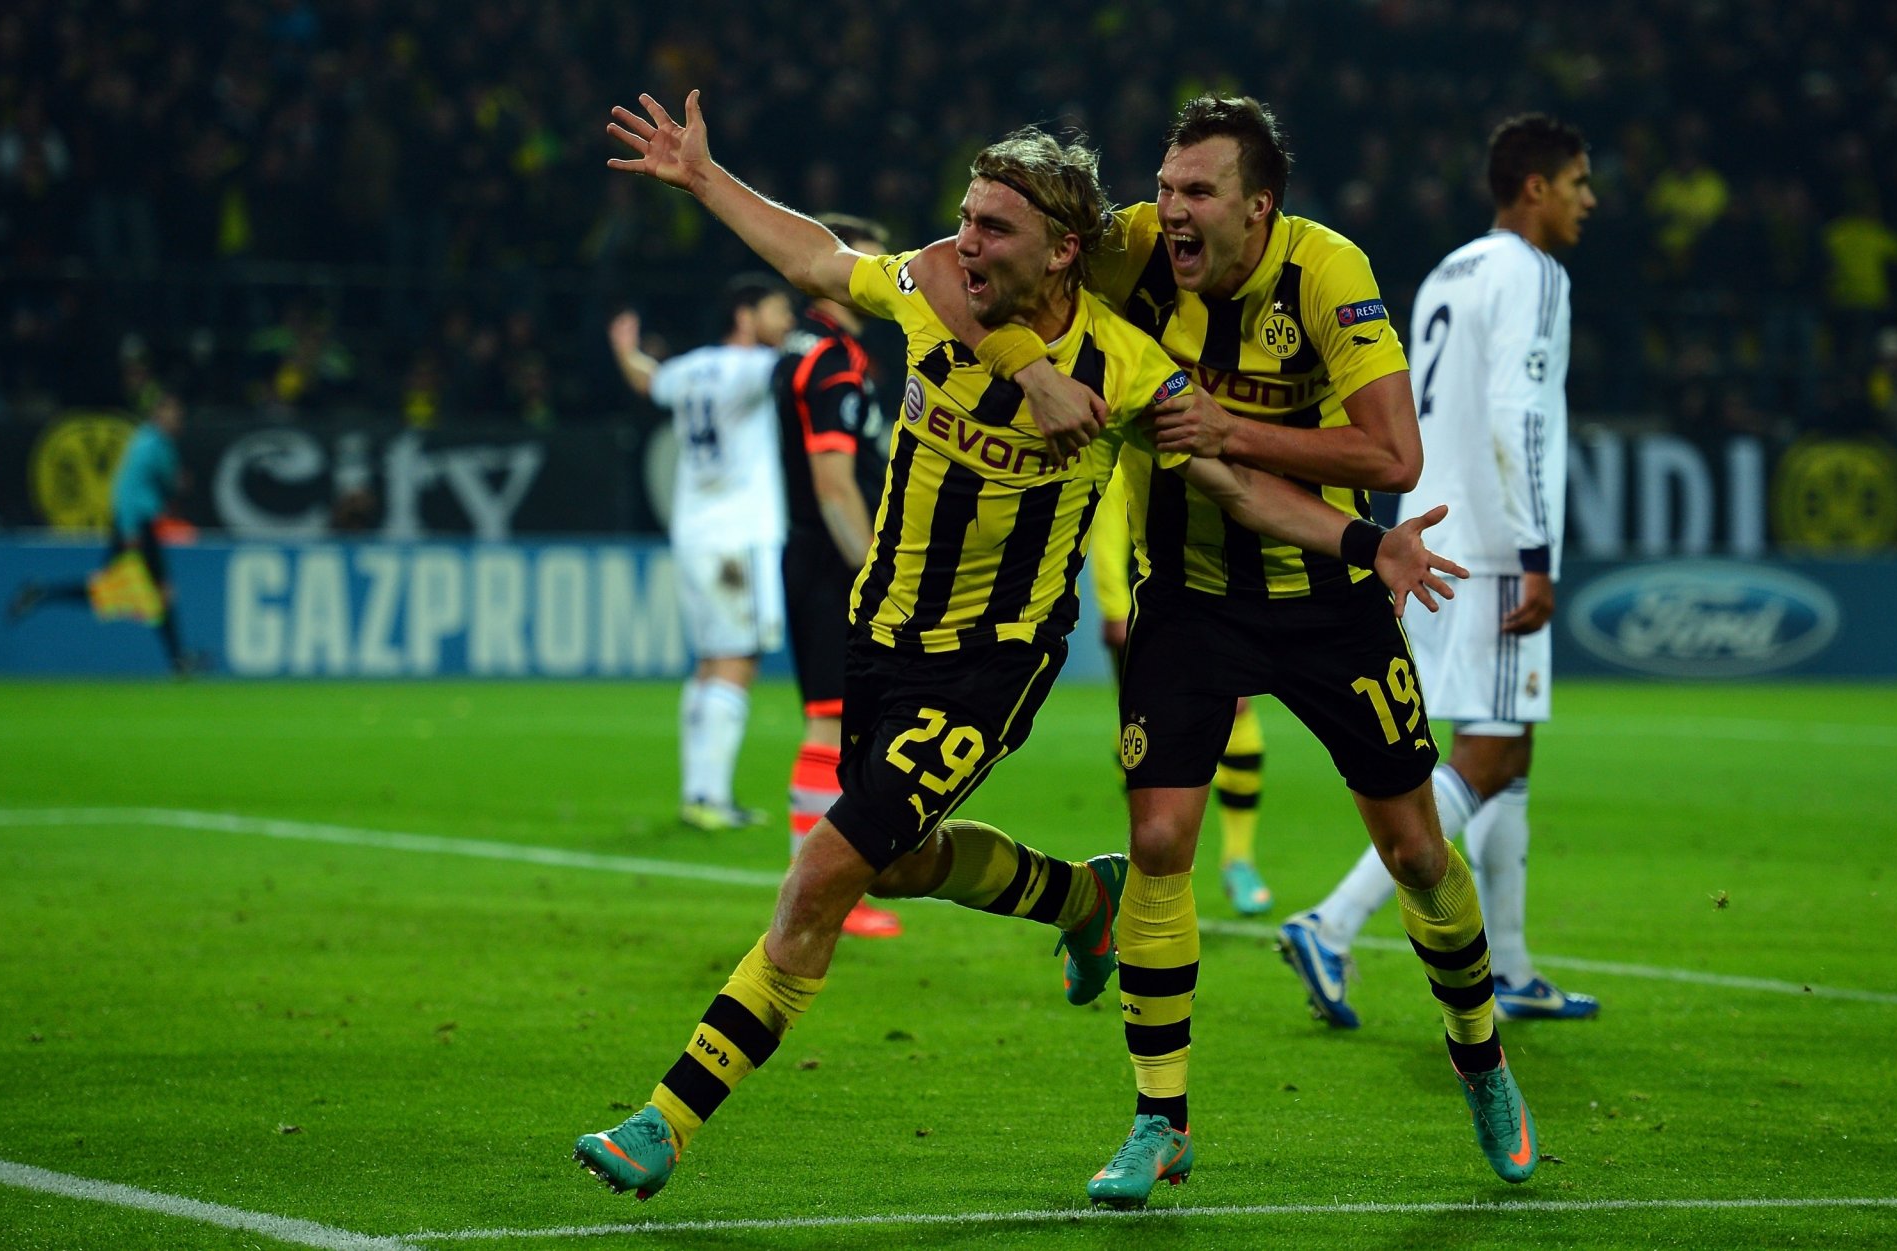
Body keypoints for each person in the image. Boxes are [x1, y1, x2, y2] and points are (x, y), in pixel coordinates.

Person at [571, 89, 1463, 1204]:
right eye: (964, 216)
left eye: (993, 225)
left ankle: (664, 1122)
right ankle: (1082, 901)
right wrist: (704, 178)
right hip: (882, 634)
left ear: (1063, 250)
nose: (965, 239)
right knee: (897, 859)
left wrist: (1365, 542)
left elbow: (1236, 487)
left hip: (991, 662)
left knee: (823, 873)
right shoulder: (938, 291)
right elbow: (817, 260)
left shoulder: (1128, 370)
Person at [927, 94, 1540, 1204]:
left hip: (1328, 594)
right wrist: (1027, 361)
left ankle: (1481, 1057)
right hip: (1187, 598)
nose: (1170, 211)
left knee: (1414, 851)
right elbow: (949, 272)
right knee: (1159, 838)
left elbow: (1393, 456)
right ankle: (1159, 1121)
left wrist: (1230, 429)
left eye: (1198, 192)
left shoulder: (1327, 273)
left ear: (1260, 207)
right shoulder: (1123, 245)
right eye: (1165, 187)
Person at [1281, 114, 1601, 1027]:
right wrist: (1535, 554)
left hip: (1424, 536)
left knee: (1507, 752)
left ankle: (1513, 968)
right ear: (1535, 187)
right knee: (1490, 751)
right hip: (1493, 548)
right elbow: (1518, 414)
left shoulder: (1449, 273)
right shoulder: (1534, 273)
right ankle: (1331, 922)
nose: (1589, 201)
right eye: (1578, 182)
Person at [608, 278, 796, 831]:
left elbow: (649, 380)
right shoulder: (756, 367)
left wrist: (625, 351)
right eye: (777, 310)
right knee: (737, 660)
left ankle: (698, 794)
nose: (786, 322)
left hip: (693, 531)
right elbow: (801, 370)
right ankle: (710, 798)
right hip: (741, 535)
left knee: (712, 661)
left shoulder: (689, 369)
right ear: (745, 315)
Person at [775, 211, 903, 939]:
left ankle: (817, 887)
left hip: (807, 552)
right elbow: (834, 484)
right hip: (832, 560)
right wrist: (871, 568)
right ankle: (818, 896)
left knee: (835, 718)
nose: (878, 281)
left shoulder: (802, 347)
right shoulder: (835, 362)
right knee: (832, 718)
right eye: (867, 265)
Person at [1090, 469, 1274, 917]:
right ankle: (1146, 852)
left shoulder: (1206, 445)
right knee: (1140, 726)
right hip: (1150, 605)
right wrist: (1114, 606)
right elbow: (1108, 526)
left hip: (1212, 596)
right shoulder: (1130, 447)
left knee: (1237, 709)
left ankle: (1239, 860)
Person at [8, 394, 199, 673]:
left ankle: (42, 592)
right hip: (136, 527)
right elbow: (127, 489)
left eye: (178, 415)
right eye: (172, 415)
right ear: (157, 415)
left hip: (135, 526)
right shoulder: (150, 444)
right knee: (157, 591)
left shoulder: (154, 443)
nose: (177, 420)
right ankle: (178, 659)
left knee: (116, 592)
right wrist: (130, 531)